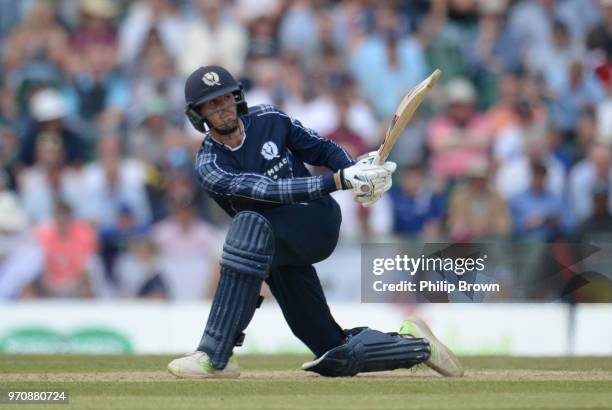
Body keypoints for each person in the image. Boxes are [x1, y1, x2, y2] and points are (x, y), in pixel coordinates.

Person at [167, 65, 463, 379]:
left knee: (248, 226)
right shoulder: (210, 164)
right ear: (199, 115)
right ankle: (416, 345)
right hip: (273, 250)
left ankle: (215, 356)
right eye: (212, 104)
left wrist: (358, 174)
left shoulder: (269, 118)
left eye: (225, 98)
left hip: (314, 220)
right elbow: (269, 190)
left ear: (237, 97)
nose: (222, 108)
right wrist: (340, 181)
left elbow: (320, 147)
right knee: (332, 351)